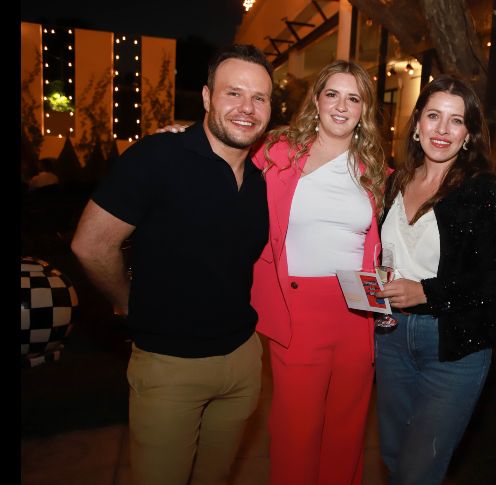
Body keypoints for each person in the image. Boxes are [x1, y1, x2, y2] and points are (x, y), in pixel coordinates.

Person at [70, 44, 274, 485]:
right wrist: (126, 301)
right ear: (205, 97)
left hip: (242, 361)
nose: (246, 108)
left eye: (259, 98)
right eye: (233, 93)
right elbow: (90, 245)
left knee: (215, 477)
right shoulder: (157, 157)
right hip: (170, 365)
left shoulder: (261, 180)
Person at [374, 74, 496, 484]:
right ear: (417, 124)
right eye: (433, 116)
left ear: (469, 134)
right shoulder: (394, 182)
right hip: (390, 337)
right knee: (393, 455)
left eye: (456, 121)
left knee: (420, 470)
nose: (442, 130)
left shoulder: (481, 190)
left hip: (452, 348)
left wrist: (426, 292)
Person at [250, 59, 387, 485]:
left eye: (354, 97)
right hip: (297, 309)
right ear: (317, 100)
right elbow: (226, 176)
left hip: (356, 310)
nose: (342, 106)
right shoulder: (278, 153)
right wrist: (186, 140)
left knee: (347, 429)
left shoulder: (373, 170)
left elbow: (372, 251)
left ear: (364, 109)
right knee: (297, 428)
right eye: (333, 94)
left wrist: (379, 307)